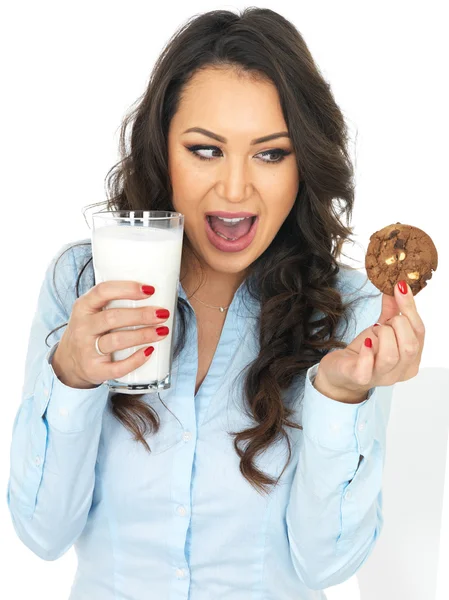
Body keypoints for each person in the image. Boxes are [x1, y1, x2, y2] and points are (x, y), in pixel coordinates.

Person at [6, 8, 425, 600]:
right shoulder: (83, 283)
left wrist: (341, 395)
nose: (235, 189)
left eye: (271, 153)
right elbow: (42, 533)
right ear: (163, 150)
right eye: (205, 150)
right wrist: (70, 378)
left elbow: (324, 565)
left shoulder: (351, 312)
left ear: (304, 163)